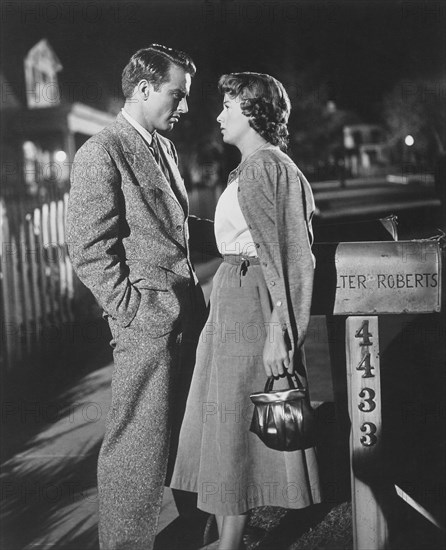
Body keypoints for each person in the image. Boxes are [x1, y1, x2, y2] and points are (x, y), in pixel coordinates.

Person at [66, 45, 217, 550]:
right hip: (148, 328)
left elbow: (175, 228)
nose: (187, 107)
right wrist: (137, 312)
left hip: (186, 317)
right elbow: (89, 250)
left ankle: (192, 535)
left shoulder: (163, 147)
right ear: (144, 89)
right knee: (135, 453)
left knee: (186, 441)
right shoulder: (100, 151)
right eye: (179, 94)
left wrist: (239, 234)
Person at [170, 72, 322, 550]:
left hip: (251, 300)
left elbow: (292, 254)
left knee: (235, 420)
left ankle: (230, 542)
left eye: (229, 107)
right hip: (233, 297)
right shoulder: (253, 166)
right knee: (226, 421)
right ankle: (227, 538)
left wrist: (282, 328)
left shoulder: (266, 167)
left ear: (254, 111)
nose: (219, 115)